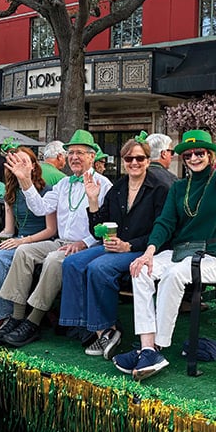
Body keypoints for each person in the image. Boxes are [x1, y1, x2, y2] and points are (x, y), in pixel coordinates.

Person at [112, 82, 216, 381]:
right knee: (140, 271)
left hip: (213, 258)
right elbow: (164, 223)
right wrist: (148, 253)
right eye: (189, 154)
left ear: (211, 155)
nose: (194, 157)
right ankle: (147, 347)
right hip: (179, 253)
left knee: (173, 275)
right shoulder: (178, 187)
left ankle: (157, 348)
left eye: (200, 153)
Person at [0, 129, 113, 347]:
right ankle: (17, 317)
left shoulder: (104, 184)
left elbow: (106, 223)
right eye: (71, 153)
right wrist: (25, 181)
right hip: (60, 242)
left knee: (53, 260)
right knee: (23, 251)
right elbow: (40, 208)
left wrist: (84, 242)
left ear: (92, 156)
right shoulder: (64, 184)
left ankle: (33, 322)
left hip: (88, 247)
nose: (74, 157)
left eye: (80, 152)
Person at [59, 134, 171, 359]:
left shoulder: (160, 189)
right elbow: (98, 231)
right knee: (72, 262)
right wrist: (92, 200)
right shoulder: (118, 187)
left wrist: (128, 245)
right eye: (129, 159)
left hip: (142, 248)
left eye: (139, 158)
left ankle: (107, 329)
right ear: (123, 161)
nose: (134, 163)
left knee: (99, 267)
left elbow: (162, 231)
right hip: (115, 246)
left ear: (148, 160)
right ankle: (85, 326)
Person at [0, 146, 57, 332]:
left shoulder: (46, 191)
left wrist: (22, 241)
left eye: (24, 161)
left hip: (38, 242)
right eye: (15, 161)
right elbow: (8, 230)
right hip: (17, 239)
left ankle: (1, 315)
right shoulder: (11, 191)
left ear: (33, 166)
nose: (19, 165)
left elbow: (51, 230)